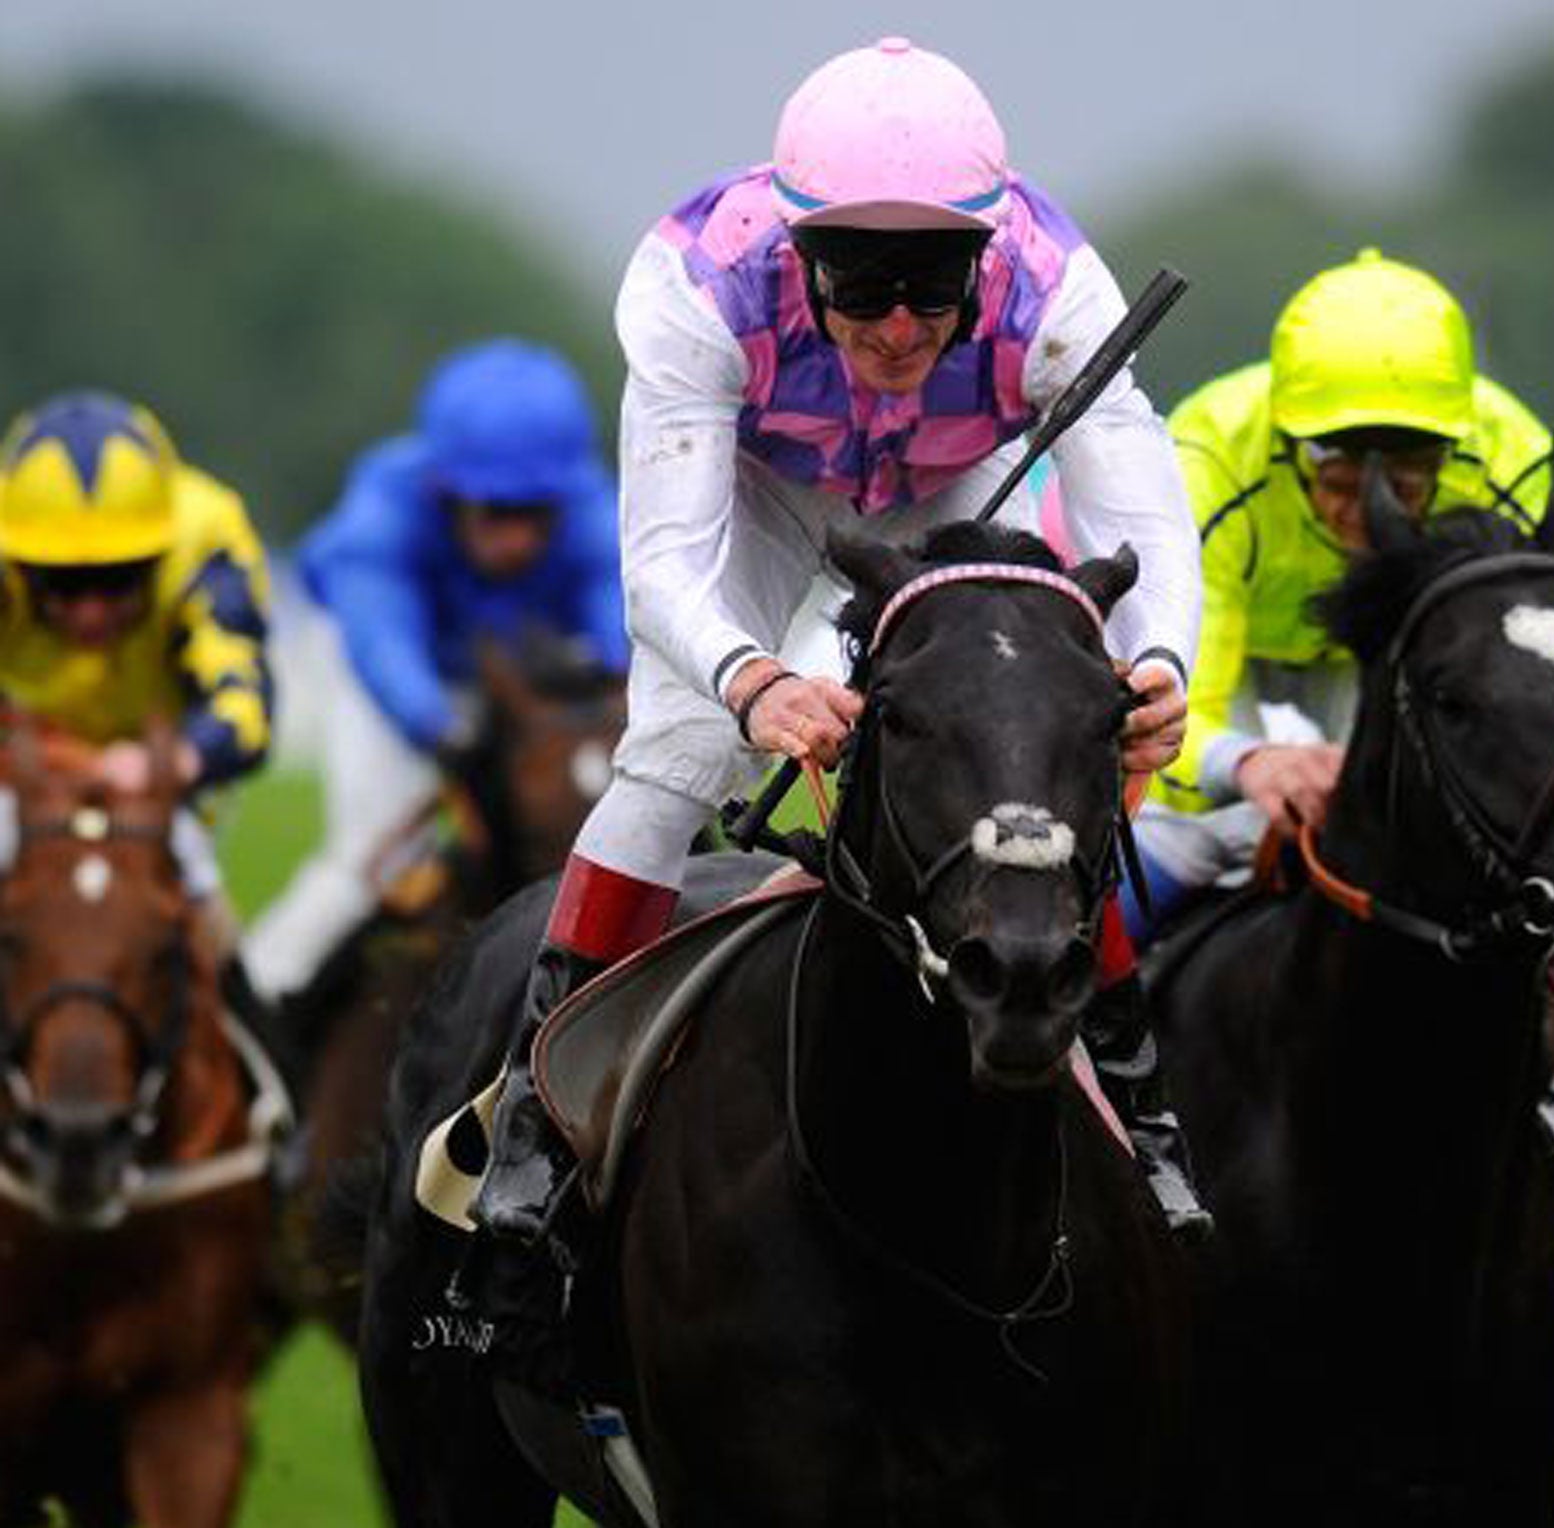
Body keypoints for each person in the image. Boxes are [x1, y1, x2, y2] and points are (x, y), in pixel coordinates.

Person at [466, 36, 1205, 1284]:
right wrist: (754, 684)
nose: (901, 325)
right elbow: (662, 567)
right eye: (860, 285)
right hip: (760, 486)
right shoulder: (692, 288)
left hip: (953, 483)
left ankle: (1133, 1083)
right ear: (795, 255)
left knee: (1032, 733)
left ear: (989, 254)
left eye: (933, 285)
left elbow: (1137, 500)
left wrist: (1159, 667)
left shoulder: (1057, 285)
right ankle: (540, 1112)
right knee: (682, 746)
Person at [1121, 248, 1554, 940]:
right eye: (1341, 475)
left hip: (1402, 664)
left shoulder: (1513, 461)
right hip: (1229, 669)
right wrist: (1246, 760)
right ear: (1290, 438)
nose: (1368, 509)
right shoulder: (1208, 458)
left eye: (1407, 476)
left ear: (1453, 445)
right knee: (1197, 832)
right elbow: (1162, 712)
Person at [239, 339, 626, 1013]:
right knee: (376, 858)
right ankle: (261, 1005)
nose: (518, 540)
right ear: (443, 493)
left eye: (537, 515)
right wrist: (439, 725)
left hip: (528, 693)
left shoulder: (594, 508)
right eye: (495, 514)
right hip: (409, 691)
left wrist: (607, 683)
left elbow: (622, 629)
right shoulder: (384, 508)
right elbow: (382, 639)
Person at [0, 390, 273, 957]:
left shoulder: (207, 536)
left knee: (216, 947)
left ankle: (254, 1034)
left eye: (120, 578)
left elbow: (245, 708)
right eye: (63, 584)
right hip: (18, 775)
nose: (91, 611)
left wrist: (172, 761)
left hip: (158, 784)